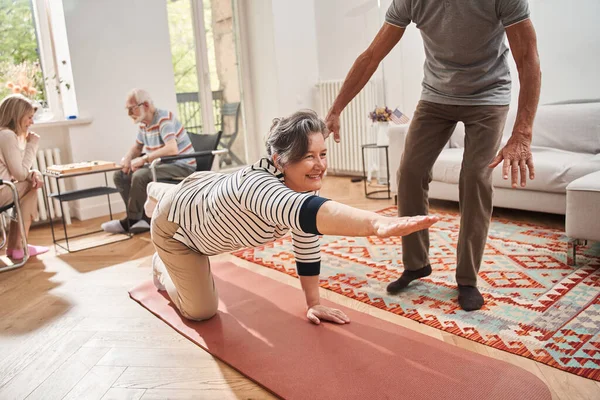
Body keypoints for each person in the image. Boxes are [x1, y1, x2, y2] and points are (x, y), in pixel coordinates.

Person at [325, 0, 541, 311]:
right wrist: (336, 109)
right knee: (410, 173)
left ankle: (467, 278)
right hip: (436, 95)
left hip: (488, 96)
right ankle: (416, 264)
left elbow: (528, 59)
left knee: (474, 178)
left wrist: (522, 133)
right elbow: (372, 56)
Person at [145, 110, 439, 324]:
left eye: (323, 154)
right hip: (177, 231)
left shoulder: (298, 188)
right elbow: (312, 213)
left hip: (202, 188)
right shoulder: (259, 187)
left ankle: (158, 192)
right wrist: (376, 223)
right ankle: (162, 260)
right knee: (202, 312)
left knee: (188, 194)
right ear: (279, 160)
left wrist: (314, 303)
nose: (320, 165)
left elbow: (307, 242)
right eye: (309, 156)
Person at [101, 89, 196, 234]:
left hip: (181, 165)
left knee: (140, 175)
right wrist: (127, 159)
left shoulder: (164, 118)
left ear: (145, 105)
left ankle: (131, 221)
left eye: (131, 109)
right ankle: (142, 218)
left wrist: (144, 159)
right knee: (120, 175)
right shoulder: (143, 123)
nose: (129, 114)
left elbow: (172, 149)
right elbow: (137, 147)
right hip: (161, 165)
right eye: (127, 109)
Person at [0, 94, 49, 260]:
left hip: (4, 187)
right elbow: (20, 174)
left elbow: (16, 173)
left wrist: (32, 173)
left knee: (29, 183)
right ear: (17, 115)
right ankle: (18, 246)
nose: (31, 122)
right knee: (32, 185)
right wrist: (32, 145)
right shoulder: (6, 135)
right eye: (29, 117)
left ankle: (16, 246)